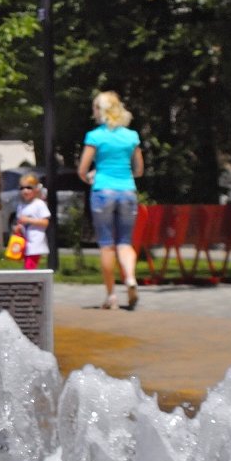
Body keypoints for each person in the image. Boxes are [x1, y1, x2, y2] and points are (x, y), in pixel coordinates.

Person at [77, 91, 144, 309]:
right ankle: (131, 279)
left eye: (95, 108)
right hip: (127, 191)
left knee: (106, 246)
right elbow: (139, 170)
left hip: (103, 191)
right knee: (125, 242)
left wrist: (91, 176)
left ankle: (111, 297)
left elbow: (82, 170)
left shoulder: (95, 136)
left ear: (101, 111)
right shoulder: (131, 136)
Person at [14, 173, 51, 270]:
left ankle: (31, 283)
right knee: (27, 266)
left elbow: (45, 222)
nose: (25, 191)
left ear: (36, 189)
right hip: (24, 241)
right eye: (22, 188)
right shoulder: (21, 205)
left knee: (30, 266)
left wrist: (28, 220)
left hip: (36, 241)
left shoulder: (39, 204)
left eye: (29, 187)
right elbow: (19, 222)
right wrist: (17, 228)